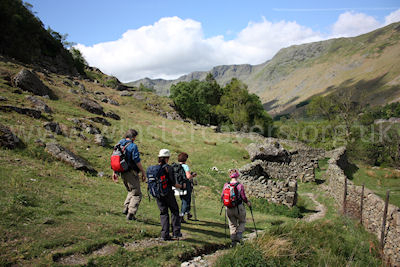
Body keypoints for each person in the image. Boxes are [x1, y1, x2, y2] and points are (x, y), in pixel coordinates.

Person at [112, 129, 146, 221]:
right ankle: (131, 213)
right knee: (137, 194)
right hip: (131, 172)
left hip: (121, 171)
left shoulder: (119, 144)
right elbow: (136, 160)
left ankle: (126, 208)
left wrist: (114, 172)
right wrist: (143, 171)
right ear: (134, 138)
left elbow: (115, 158)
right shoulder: (132, 146)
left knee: (131, 190)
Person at [154, 149, 184, 241]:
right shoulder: (168, 168)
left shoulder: (155, 168)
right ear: (167, 158)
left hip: (158, 193)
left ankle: (164, 235)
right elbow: (173, 183)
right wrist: (182, 186)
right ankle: (176, 232)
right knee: (175, 210)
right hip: (168, 192)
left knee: (163, 213)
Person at [221, 169, 251, 246]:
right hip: (238, 207)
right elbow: (243, 197)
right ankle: (239, 235)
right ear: (237, 175)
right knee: (242, 221)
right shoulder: (239, 185)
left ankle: (233, 242)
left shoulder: (226, 185)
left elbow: (222, 196)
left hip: (228, 208)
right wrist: (247, 202)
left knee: (232, 225)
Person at [177, 152, 197, 223]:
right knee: (186, 200)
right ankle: (181, 215)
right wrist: (193, 175)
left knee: (183, 199)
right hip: (186, 185)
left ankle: (187, 213)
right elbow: (188, 176)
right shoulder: (185, 166)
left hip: (179, 185)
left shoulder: (176, 166)